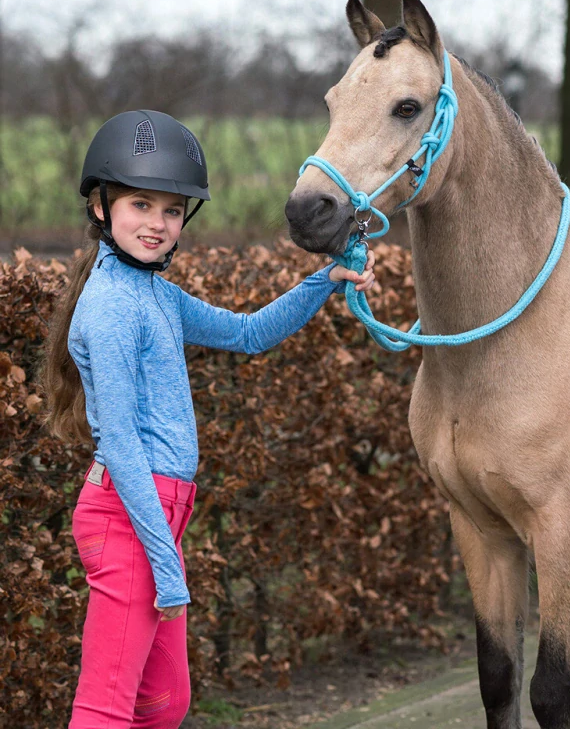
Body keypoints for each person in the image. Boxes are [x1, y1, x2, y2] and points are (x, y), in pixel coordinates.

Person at [43, 110, 375, 729]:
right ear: (100, 207)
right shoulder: (113, 307)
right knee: (106, 709)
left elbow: (248, 334)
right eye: (141, 205)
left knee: (162, 705)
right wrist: (167, 566)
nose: (157, 224)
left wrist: (324, 280)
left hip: (156, 513)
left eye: (171, 211)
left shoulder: (153, 294)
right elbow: (119, 442)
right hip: (128, 515)